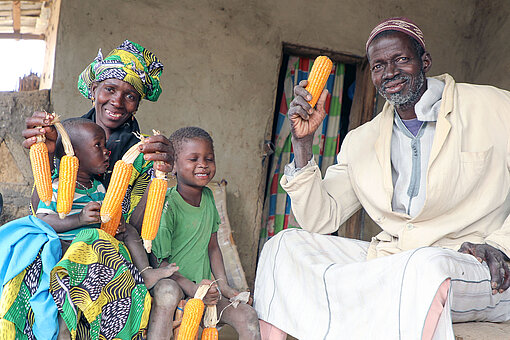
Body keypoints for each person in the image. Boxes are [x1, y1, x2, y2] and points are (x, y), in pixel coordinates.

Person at [254, 17, 510, 340]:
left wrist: (502, 244)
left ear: (424, 61)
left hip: (477, 266)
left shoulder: (493, 107)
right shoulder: (362, 140)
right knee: (282, 248)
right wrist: (302, 144)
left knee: (426, 268)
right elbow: (319, 218)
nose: (389, 73)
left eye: (400, 59)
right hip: (394, 263)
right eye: (378, 66)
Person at [14, 40, 176, 338]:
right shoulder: (65, 138)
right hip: (61, 245)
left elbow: (133, 228)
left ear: (138, 103)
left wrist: (159, 179)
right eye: (109, 90)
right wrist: (47, 155)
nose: (117, 101)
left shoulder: (146, 154)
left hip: (111, 252)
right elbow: (43, 208)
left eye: (130, 95)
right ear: (93, 90)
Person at [131, 127, 261, 339]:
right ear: (172, 167)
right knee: (167, 293)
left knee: (247, 316)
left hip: (202, 290)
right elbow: (161, 264)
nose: (203, 164)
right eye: (193, 159)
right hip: (173, 283)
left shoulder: (209, 198)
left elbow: (213, 247)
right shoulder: (167, 205)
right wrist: (190, 288)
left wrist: (224, 287)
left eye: (209, 158)